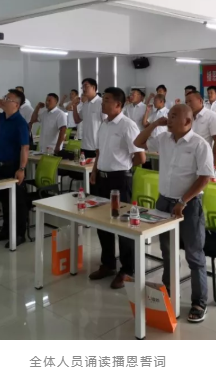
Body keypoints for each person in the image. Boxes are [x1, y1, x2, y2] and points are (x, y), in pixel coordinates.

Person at [134, 104, 213, 323]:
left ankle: (199, 302)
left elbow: (205, 177)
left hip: (189, 204)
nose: (168, 119)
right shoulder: (163, 139)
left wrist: (183, 200)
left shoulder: (199, 144)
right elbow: (138, 142)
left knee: (194, 254)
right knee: (167, 250)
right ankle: (169, 289)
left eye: (173, 116)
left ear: (187, 121)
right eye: (168, 116)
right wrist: (154, 125)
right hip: (164, 202)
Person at [89, 87, 146, 289]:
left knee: (123, 225)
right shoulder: (103, 124)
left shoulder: (128, 125)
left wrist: (125, 169)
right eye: (103, 99)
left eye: (106, 100)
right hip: (102, 178)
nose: (102, 103)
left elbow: (140, 157)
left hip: (120, 180)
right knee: (102, 222)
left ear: (118, 105)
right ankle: (108, 264)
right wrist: (94, 171)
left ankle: (127, 269)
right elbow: (99, 152)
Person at [0, 89, 30, 248]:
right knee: (4, 200)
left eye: (9, 99)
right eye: (5, 97)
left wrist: (22, 168)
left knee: (17, 202)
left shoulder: (20, 122)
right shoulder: (1, 117)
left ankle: (20, 234)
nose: (5, 100)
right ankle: (6, 230)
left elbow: (25, 147)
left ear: (17, 105)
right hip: (1, 165)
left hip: (14, 166)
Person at [185, 91, 216, 165]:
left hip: (204, 159)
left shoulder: (212, 116)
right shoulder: (187, 118)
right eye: (186, 102)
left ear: (200, 101)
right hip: (187, 160)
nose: (188, 104)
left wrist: (214, 163)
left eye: (190, 101)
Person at [72, 78, 104, 162]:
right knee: (83, 168)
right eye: (82, 87)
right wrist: (74, 107)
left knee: (95, 169)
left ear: (94, 87)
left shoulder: (101, 103)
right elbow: (77, 120)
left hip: (97, 146)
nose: (83, 89)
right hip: (85, 145)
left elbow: (106, 123)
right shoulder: (85, 104)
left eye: (86, 86)